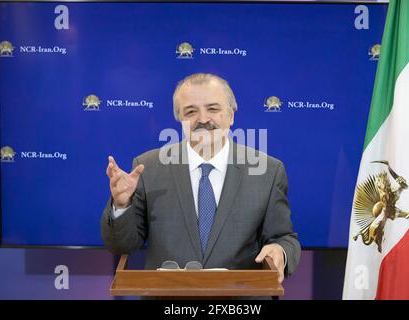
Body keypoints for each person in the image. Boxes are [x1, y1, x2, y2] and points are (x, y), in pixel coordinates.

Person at [100, 73, 301, 284]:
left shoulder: (268, 171)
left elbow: (283, 238)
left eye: (213, 109)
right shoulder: (148, 167)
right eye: (191, 111)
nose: (203, 119)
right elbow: (122, 246)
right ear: (179, 119)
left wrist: (280, 251)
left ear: (231, 115)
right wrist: (122, 206)